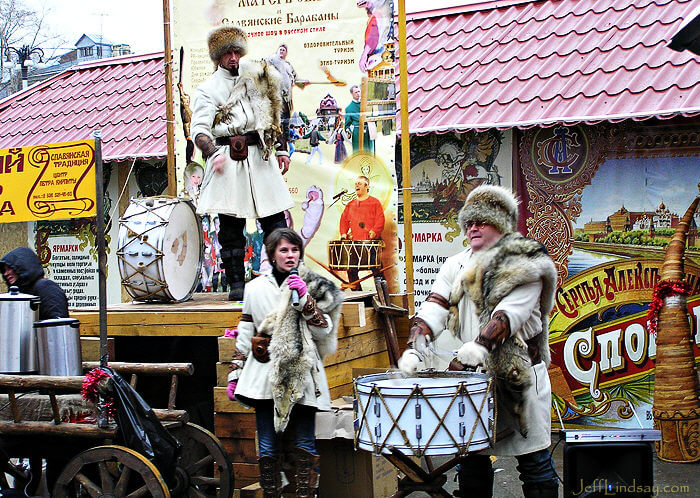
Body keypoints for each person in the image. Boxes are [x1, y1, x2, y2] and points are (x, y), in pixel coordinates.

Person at [397, 185, 558, 498]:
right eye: (468, 222)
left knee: (534, 463)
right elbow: (435, 306)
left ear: (500, 224)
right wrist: (415, 347)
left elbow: (508, 315)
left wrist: (476, 350)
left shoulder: (527, 262)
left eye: (481, 221)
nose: (472, 227)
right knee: (471, 463)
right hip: (474, 383)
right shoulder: (456, 265)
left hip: (517, 378)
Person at [227, 228, 344, 497]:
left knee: (305, 441)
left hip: (302, 368)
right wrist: (235, 371)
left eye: (294, 250)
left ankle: (306, 495)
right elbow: (246, 329)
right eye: (284, 250)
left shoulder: (315, 285)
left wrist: (305, 301)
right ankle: (272, 493)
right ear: (271, 254)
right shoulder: (254, 288)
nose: (290, 255)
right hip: (264, 372)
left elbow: (323, 331)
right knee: (267, 445)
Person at [190, 25, 292, 301]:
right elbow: (199, 130)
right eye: (227, 54)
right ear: (217, 58)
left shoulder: (256, 76)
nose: (233, 58)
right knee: (231, 225)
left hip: (260, 157)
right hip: (229, 159)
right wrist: (212, 153)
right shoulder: (208, 89)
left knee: (276, 222)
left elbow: (273, 112)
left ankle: (287, 280)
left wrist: (281, 150)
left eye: (236, 51)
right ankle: (236, 283)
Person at [339, 175, 385, 290]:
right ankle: (359, 297)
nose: (356, 185)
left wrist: (375, 231)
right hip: (356, 245)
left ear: (367, 186)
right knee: (351, 271)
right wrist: (344, 234)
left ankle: (383, 298)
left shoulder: (374, 203)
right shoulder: (351, 204)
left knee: (378, 271)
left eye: (359, 183)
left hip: (371, 244)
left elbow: (380, 219)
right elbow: (343, 220)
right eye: (356, 184)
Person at [1, 247, 68, 320]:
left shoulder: (46, 288)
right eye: (4, 270)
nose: (5, 274)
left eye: (9, 268)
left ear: (23, 265)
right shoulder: (20, 292)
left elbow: (57, 324)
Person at [344, 85, 375, 155]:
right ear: (352, 94)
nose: (358, 93)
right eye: (356, 92)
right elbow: (347, 125)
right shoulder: (349, 108)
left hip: (368, 131)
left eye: (359, 91)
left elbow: (372, 115)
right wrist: (348, 131)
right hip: (357, 133)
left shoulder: (366, 104)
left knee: (370, 152)